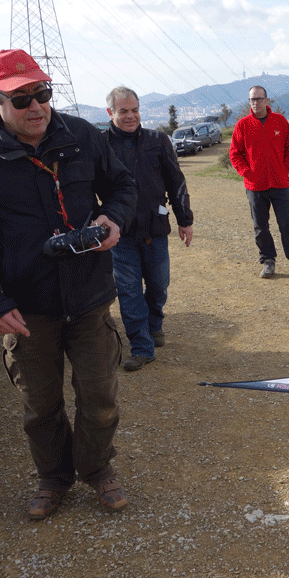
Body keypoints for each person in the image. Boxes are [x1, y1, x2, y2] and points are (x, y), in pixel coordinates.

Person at [0, 49, 138, 520]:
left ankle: (97, 469)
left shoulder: (81, 136)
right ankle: (53, 477)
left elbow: (123, 185)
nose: (36, 106)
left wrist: (114, 217)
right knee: (41, 406)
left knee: (100, 397)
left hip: (88, 297)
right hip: (25, 307)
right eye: (21, 98)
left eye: (42, 93)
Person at [102, 86, 194, 372]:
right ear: (110, 113)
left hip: (155, 229)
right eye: (123, 111)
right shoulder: (101, 144)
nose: (131, 116)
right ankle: (142, 346)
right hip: (120, 234)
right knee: (129, 291)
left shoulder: (158, 140)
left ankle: (155, 324)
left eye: (135, 110)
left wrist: (184, 219)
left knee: (158, 285)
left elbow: (176, 181)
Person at [229, 85, 289, 280]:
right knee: (260, 226)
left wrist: (285, 168)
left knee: (287, 224)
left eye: (259, 99)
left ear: (266, 100)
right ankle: (268, 261)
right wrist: (247, 172)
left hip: (279, 183)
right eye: (252, 99)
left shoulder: (279, 121)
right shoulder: (242, 125)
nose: (255, 103)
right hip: (255, 186)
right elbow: (235, 153)